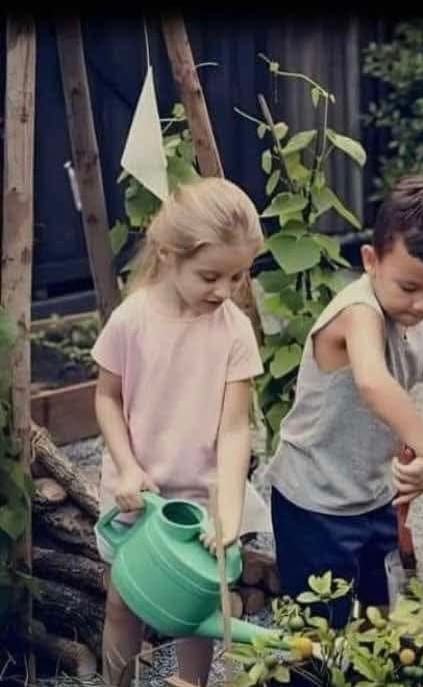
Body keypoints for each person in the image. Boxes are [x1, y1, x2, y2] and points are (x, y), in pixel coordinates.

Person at [264, 175, 423, 625]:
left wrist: (401, 452)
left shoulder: (408, 312)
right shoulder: (358, 313)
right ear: (371, 260)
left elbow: (394, 395)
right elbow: (374, 385)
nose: (421, 305)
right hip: (315, 505)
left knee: (378, 617)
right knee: (317, 636)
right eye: (409, 288)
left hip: (370, 496)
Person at [92, 177, 268, 686]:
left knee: (197, 613)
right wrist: (127, 466)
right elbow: (107, 398)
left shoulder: (233, 330)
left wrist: (228, 515)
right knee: (122, 604)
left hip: (201, 500)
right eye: (211, 275)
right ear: (168, 255)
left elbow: (235, 430)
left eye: (237, 277)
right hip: (134, 497)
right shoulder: (132, 320)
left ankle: (188, 684)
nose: (225, 291)